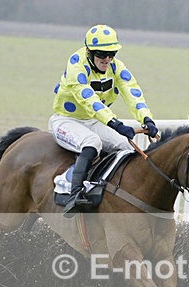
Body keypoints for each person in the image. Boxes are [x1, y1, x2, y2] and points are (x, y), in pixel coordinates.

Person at [49, 24, 158, 216]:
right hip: (66, 120)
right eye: (101, 54)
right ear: (89, 51)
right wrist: (115, 123)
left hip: (92, 121)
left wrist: (147, 118)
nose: (107, 59)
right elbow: (89, 100)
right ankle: (74, 195)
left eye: (111, 53)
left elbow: (132, 92)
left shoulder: (116, 67)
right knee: (92, 143)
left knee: (126, 146)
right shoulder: (76, 64)